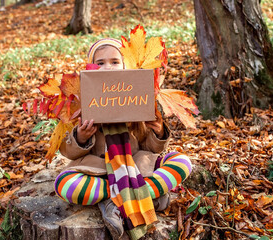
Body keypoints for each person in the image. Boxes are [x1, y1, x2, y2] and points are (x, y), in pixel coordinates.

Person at [54, 38, 192, 240]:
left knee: (182, 162)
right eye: (100, 63)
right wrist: (81, 137)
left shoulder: (135, 95)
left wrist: (158, 132)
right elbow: (68, 152)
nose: (108, 67)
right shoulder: (81, 99)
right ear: (90, 67)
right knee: (65, 184)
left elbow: (150, 147)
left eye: (115, 61)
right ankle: (140, 195)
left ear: (125, 64)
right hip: (101, 172)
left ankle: (120, 199)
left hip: (137, 168)